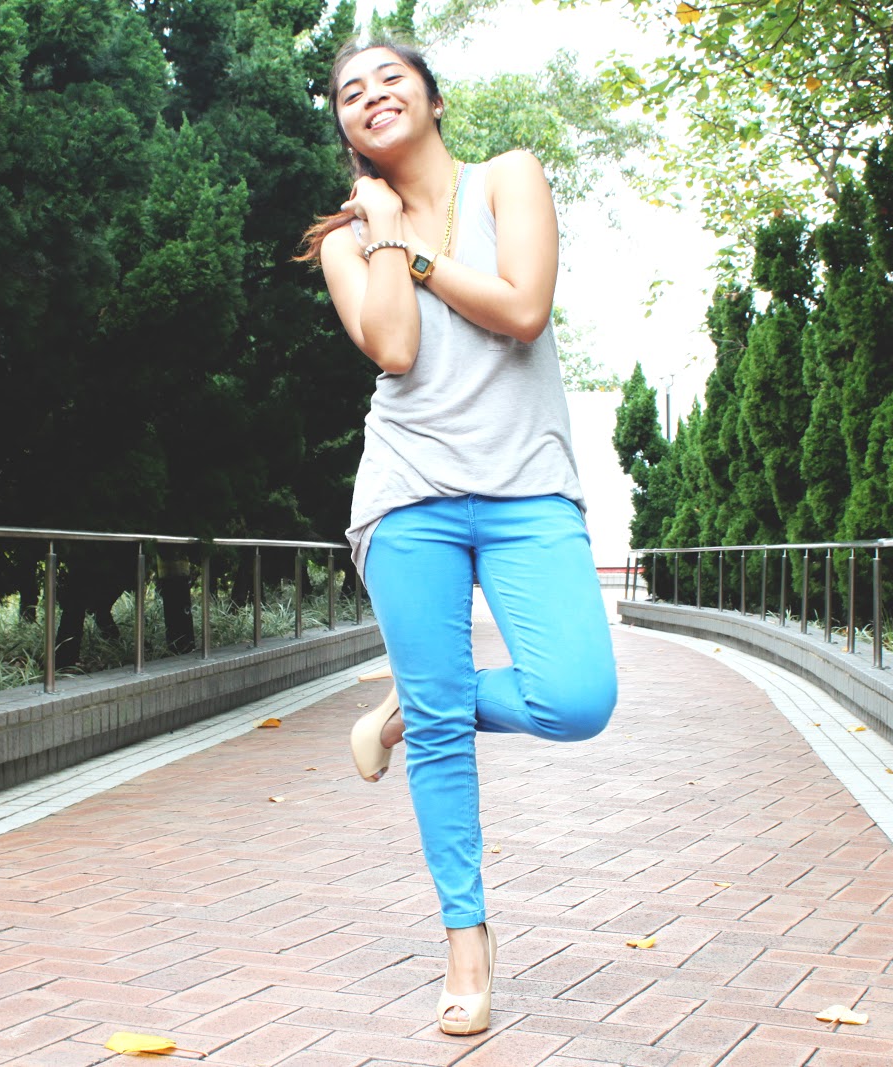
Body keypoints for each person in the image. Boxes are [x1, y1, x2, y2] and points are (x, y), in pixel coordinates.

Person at [297, 38, 619, 1036]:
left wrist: (420, 250)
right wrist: (383, 232)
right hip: (409, 496)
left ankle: (416, 704)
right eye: (350, 93)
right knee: (445, 737)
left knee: (577, 698)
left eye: (390, 78)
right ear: (347, 128)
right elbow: (395, 347)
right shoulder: (345, 241)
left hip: (528, 489)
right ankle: (466, 946)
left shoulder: (507, 178)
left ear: (432, 98)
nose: (372, 96)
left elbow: (523, 309)